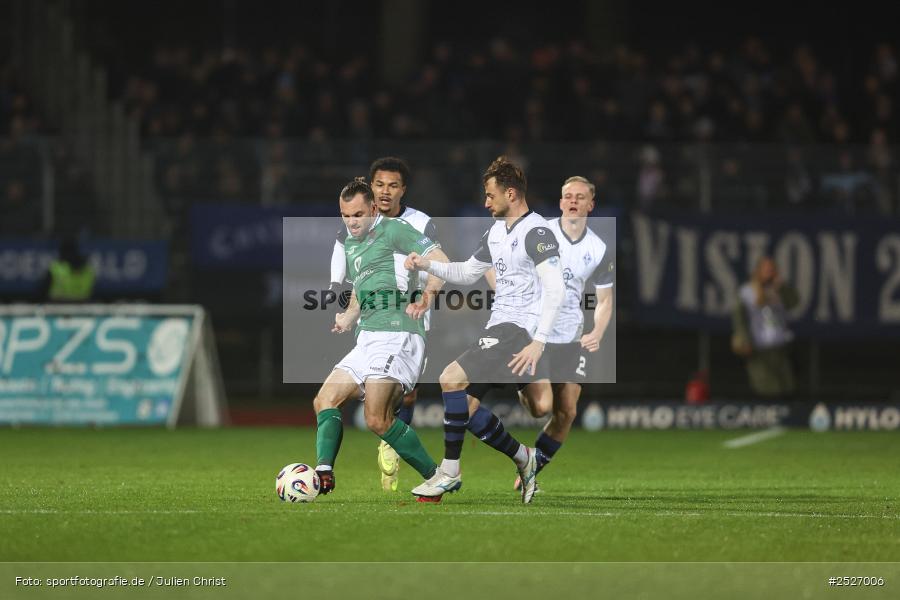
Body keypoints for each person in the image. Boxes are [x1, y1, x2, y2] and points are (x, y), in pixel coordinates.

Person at [404, 156, 565, 504]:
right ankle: (525, 458)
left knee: (450, 379)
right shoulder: (495, 232)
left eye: (490, 195)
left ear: (511, 193)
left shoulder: (536, 231)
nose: (485, 202)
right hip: (500, 327)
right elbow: (465, 273)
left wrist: (539, 341)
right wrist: (425, 264)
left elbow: (556, 287)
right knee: (470, 407)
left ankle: (448, 472)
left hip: (519, 330)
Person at [312, 178, 450, 498]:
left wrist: (426, 296)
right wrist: (348, 316)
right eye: (346, 216)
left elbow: (441, 261)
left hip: (398, 331)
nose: (352, 222)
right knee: (324, 400)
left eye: (358, 214)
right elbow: (362, 288)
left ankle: (437, 476)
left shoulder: (393, 230)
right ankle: (324, 473)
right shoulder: (350, 243)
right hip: (368, 336)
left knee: (376, 418)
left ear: (373, 208)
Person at [508, 176, 614, 492]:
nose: (573, 201)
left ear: (590, 205)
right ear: (560, 201)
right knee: (541, 407)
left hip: (571, 337)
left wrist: (598, 329)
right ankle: (521, 385)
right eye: (567, 195)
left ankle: (532, 468)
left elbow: (605, 299)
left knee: (566, 411)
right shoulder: (542, 232)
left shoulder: (598, 248)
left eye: (580, 197)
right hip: (535, 333)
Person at [731, 257, 799, 398]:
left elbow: (794, 302)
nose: (770, 273)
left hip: (779, 346)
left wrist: (781, 287)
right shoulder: (747, 292)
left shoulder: (779, 289)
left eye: (772, 269)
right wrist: (744, 339)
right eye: (766, 270)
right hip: (759, 347)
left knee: (786, 387)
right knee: (766, 388)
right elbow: (739, 318)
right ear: (758, 271)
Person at [41, 237, 96, 302]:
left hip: (59, 307)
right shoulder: (89, 269)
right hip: (79, 307)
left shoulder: (56, 268)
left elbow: (42, 293)